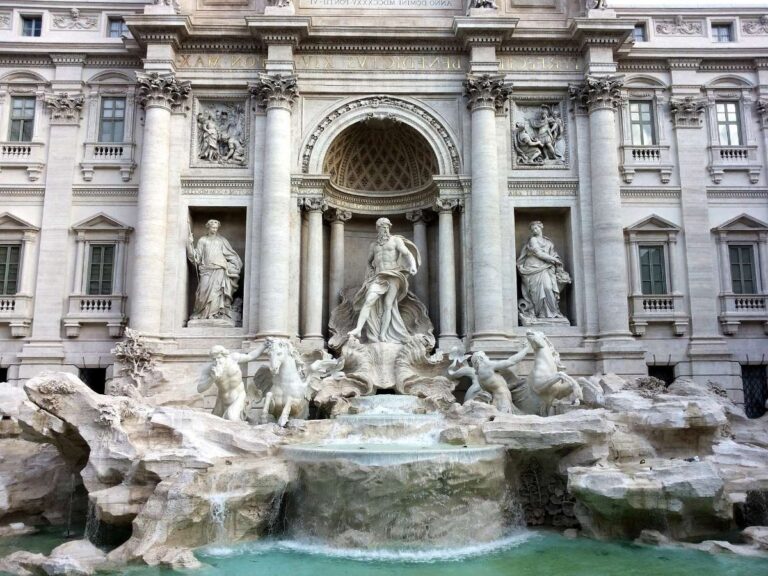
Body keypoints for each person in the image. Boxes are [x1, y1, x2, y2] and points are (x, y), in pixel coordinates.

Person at [348, 218, 419, 343]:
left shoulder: (395, 241)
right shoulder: (374, 246)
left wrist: (412, 266)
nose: (385, 229)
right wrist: (369, 274)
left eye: (387, 227)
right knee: (369, 300)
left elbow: (407, 253)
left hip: (393, 275)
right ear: (378, 229)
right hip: (379, 277)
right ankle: (358, 329)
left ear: (389, 228)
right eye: (382, 227)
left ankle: (383, 334)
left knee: (388, 305)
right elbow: (369, 262)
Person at [186, 219, 242, 322]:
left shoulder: (222, 241)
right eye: (213, 227)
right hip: (206, 270)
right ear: (208, 227)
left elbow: (231, 255)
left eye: (216, 228)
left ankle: (214, 314)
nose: (215, 229)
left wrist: (234, 264)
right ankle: (202, 313)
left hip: (219, 269)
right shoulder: (203, 240)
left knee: (216, 293)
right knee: (202, 293)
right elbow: (196, 257)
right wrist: (189, 245)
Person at [517, 221, 571, 321]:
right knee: (536, 292)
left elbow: (554, 254)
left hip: (546, 268)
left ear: (541, 228)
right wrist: (553, 259)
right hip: (533, 268)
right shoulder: (533, 240)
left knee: (547, 287)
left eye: (536, 228)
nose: (534, 230)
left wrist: (556, 259)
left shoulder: (548, 242)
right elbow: (538, 253)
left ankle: (553, 312)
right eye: (532, 229)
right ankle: (540, 313)